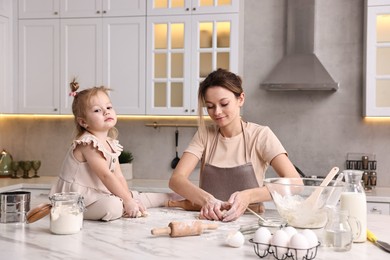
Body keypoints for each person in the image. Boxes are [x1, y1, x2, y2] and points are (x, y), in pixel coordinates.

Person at [169, 68, 300, 222]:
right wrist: (207, 200)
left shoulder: (260, 135)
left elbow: (295, 183)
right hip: (210, 223)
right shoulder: (204, 135)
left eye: (224, 104)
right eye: (210, 106)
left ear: (241, 99)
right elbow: (176, 179)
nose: (217, 112)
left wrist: (248, 195)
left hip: (249, 223)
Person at [49, 83, 176, 221]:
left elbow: (119, 177)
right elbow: (105, 175)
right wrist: (127, 201)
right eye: (97, 110)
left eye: (109, 107)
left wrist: (128, 198)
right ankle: (126, 206)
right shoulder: (87, 143)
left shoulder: (110, 144)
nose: (106, 112)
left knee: (132, 196)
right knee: (113, 206)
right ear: (83, 122)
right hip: (75, 200)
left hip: (97, 194)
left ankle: (168, 199)